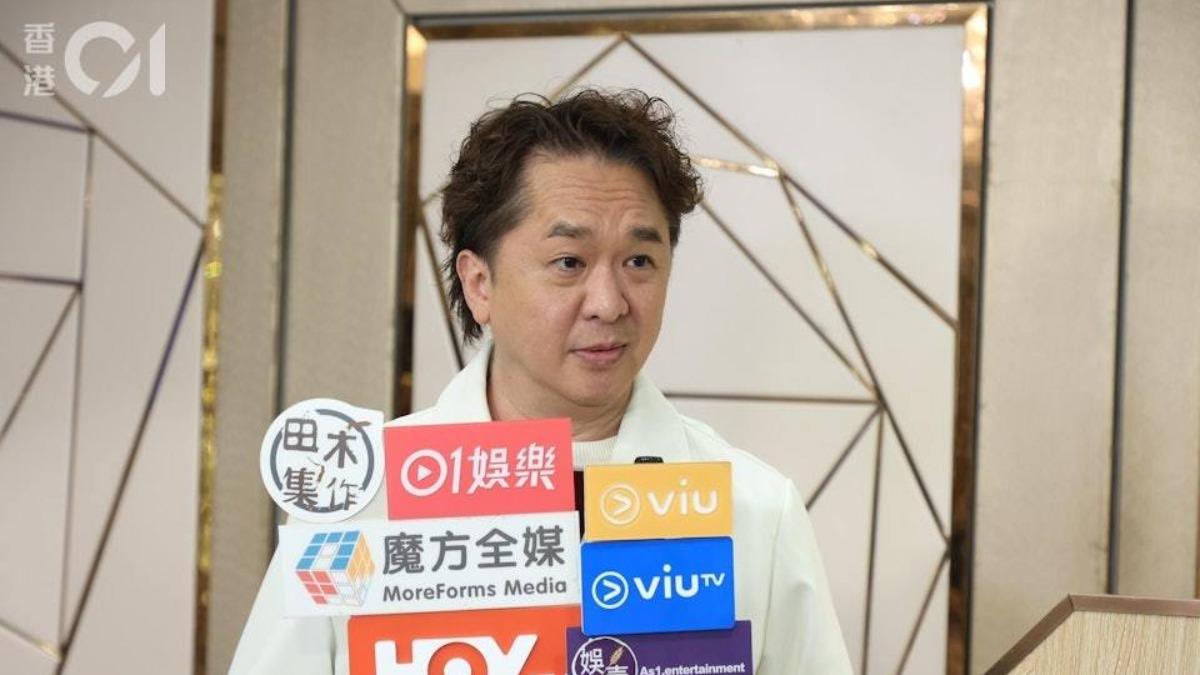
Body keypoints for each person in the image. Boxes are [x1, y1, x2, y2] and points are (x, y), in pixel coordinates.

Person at [231, 88, 851, 674]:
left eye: (639, 261)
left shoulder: (755, 509)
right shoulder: (359, 508)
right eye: (568, 262)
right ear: (480, 284)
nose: (608, 303)